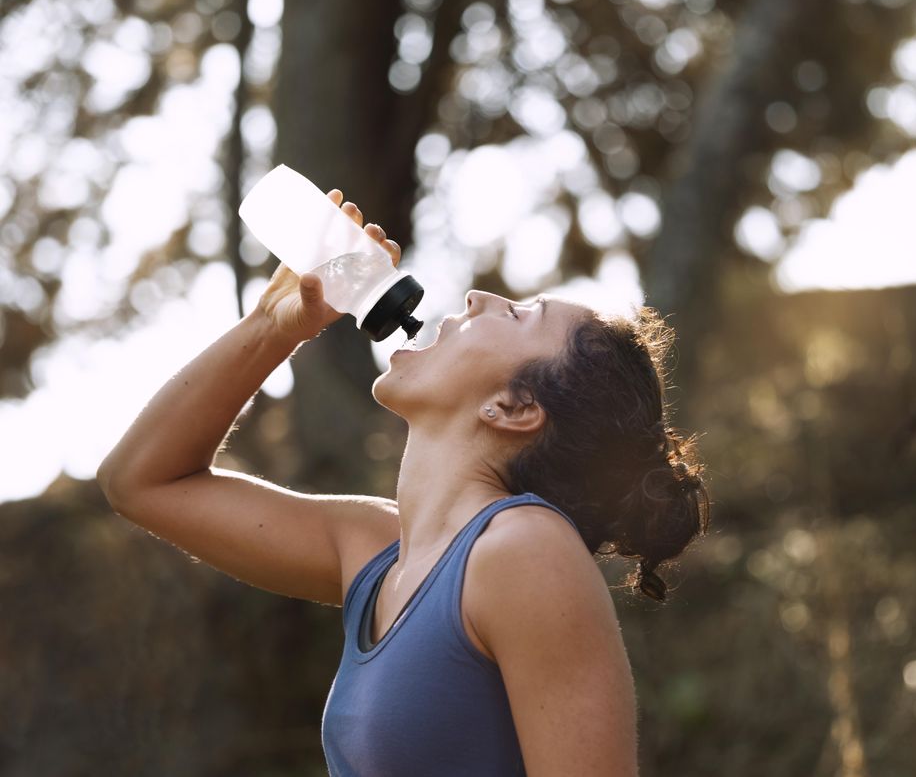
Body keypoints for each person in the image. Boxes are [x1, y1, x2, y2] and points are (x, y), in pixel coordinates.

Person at [98, 189, 711, 776]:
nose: (477, 297)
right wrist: (273, 325)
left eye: (520, 313)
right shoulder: (377, 551)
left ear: (514, 407)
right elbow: (140, 481)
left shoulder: (523, 550)